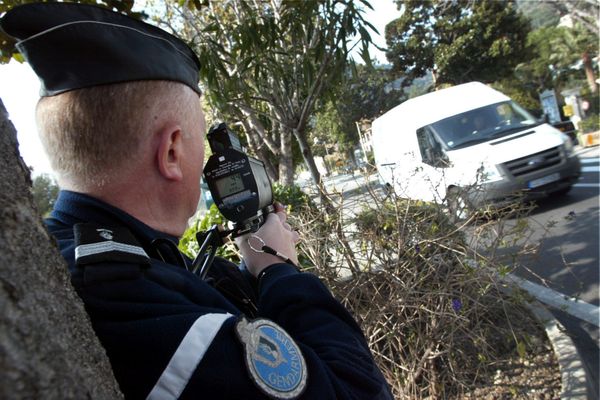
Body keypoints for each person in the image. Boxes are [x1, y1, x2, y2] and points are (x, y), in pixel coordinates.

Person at [1, 3, 392, 399]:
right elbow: (358, 391)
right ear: (171, 152)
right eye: (199, 140)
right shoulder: (123, 295)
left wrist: (252, 269)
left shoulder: (103, 254)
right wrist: (280, 271)